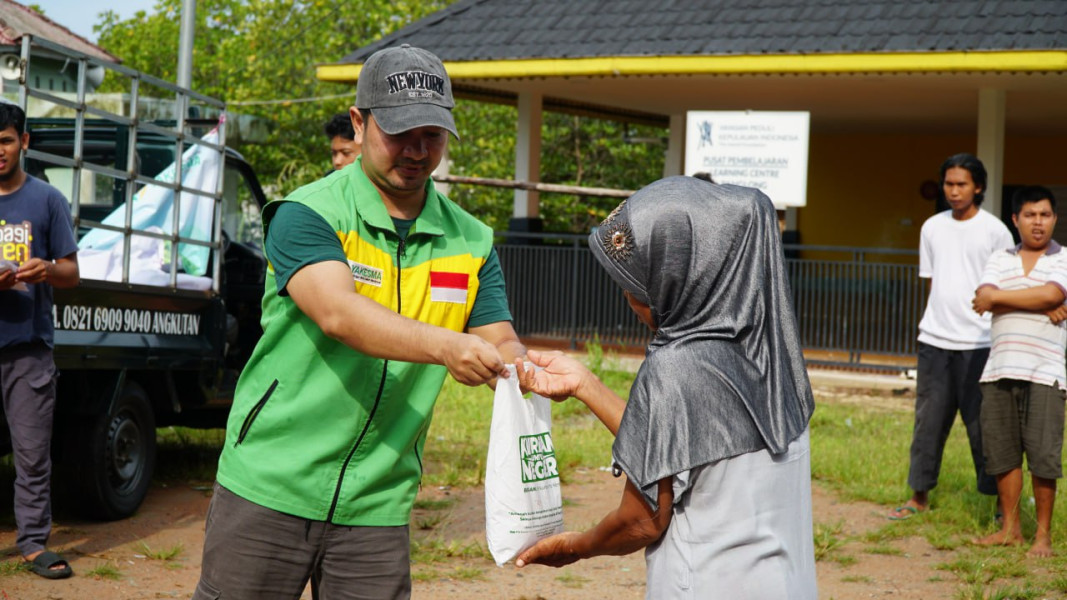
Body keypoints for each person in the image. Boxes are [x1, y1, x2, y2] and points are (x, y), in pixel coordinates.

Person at [193, 45, 525, 600]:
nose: (418, 151)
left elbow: (501, 340)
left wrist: (532, 370)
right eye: (400, 133)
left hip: (379, 500)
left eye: (432, 135)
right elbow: (339, 314)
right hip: (271, 483)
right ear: (359, 121)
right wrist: (447, 346)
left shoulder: (471, 240)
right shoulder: (307, 212)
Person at [514, 176, 817, 598]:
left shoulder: (677, 366)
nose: (628, 296)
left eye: (642, 280)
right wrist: (586, 385)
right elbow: (683, 452)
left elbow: (643, 519)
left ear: (684, 271)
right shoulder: (772, 353)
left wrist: (576, 545)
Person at [888, 153, 1014, 521]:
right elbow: (935, 282)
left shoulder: (995, 231)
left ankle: (998, 506)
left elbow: (1003, 286)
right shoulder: (932, 227)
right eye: (949, 184)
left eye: (962, 184)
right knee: (928, 423)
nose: (954, 191)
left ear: (978, 187)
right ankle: (919, 496)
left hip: (980, 345)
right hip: (935, 341)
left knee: (983, 428)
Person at [0, 102, 80, 579]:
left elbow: (72, 272)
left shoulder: (48, 200)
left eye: (6, 141)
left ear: (23, 142)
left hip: (29, 349)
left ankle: (32, 543)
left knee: (32, 454)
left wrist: (46, 269)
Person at [971, 186, 1067, 557]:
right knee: (1004, 454)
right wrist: (1041, 300)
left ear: (1054, 219)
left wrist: (1007, 298)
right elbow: (982, 297)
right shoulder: (998, 257)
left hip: (1046, 371)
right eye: (1030, 215)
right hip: (998, 369)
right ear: (1016, 219)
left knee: (1043, 456)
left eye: (1045, 214)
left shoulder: (1063, 259)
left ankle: (1042, 536)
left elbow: (1052, 295)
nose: (1038, 222)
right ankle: (1011, 531)